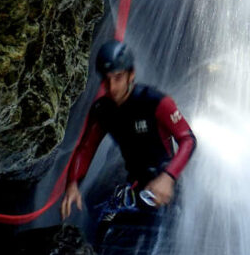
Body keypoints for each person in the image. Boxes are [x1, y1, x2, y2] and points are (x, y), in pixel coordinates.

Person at [60, 40, 196, 254]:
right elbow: (86, 148)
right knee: (102, 230)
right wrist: (73, 184)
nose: (112, 87)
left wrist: (168, 178)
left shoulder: (155, 102)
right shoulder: (103, 110)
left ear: (131, 74)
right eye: (106, 80)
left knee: (154, 242)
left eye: (118, 78)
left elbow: (188, 139)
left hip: (165, 185)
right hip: (134, 184)